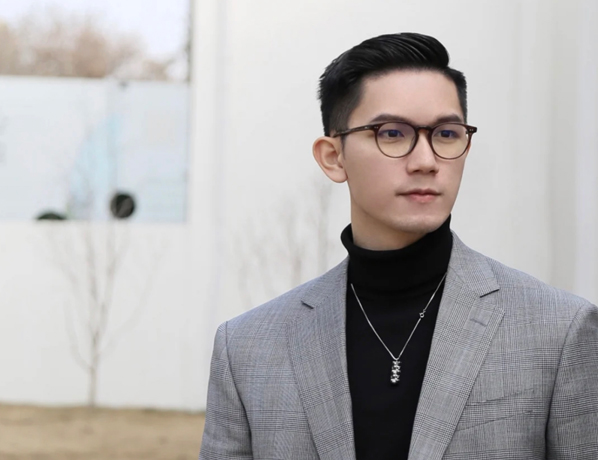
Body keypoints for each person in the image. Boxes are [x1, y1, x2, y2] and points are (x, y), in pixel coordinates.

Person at [199, 32, 598, 460]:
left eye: (446, 133)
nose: (426, 161)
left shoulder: (560, 331)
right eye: (392, 133)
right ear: (333, 156)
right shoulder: (247, 348)